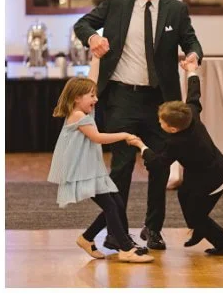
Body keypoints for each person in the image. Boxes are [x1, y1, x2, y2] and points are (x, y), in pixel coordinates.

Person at [73, 0, 204, 250]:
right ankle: (116, 232)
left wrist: (194, 55)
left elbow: (191, 41)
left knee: (158, 166)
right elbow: (83, 24)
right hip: (122, 97)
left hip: (160, 102)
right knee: (121, 167)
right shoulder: (117, 3)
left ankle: (153, 228)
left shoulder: (175, 9)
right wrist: (93, 37)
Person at [126, 59, 223, 255]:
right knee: (183, 194)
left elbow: (157, 163)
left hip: (214, 179)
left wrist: (140, 144)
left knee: (197, 216)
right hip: (208, 170)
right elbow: (194, 93)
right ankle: (200, 230)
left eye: (160, 122)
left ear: (172, 128)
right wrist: (191, 70)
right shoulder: (191, 113)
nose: (158, 123)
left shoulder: (176, 143)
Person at [48, 77, 154, 263]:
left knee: (116, 204)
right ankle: (126, 249)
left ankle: (87, 238)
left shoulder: (82, 113)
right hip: (83, 172)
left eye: (95, 95)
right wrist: (125, 135)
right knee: (111, 206)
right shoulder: (79, 116)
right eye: (91, 95)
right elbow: (97, 138)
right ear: (76, 98)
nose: (96, 99)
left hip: (91, 170)